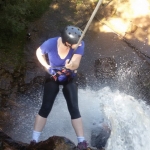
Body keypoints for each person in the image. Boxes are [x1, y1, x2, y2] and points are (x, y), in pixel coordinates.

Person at [31, 25, 88, 149]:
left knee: (74, 108)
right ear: (67, 43)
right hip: (53, 76)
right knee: (45, 107)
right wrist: (47, 67)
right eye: (75, 43)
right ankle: (34, 140)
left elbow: (76, 63)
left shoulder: (79, 43)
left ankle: (82, 141)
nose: (79, 44)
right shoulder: (50, 43)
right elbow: (38, 52)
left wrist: (70, 65)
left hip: (70, 76)